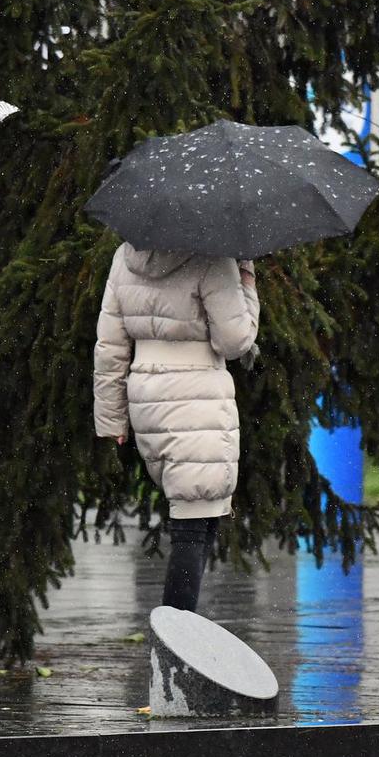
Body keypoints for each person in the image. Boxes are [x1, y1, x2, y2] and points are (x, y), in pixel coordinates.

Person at [93, 243, 259, 612]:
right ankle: (176, 643)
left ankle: (178, 637)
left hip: (147, 395)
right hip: (195, 395)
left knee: (196, 515)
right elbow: (235, 341)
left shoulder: (126, 255)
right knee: (194, 526)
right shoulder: (213, 256)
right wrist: (246, 280)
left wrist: (111, 417)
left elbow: (111, 345)